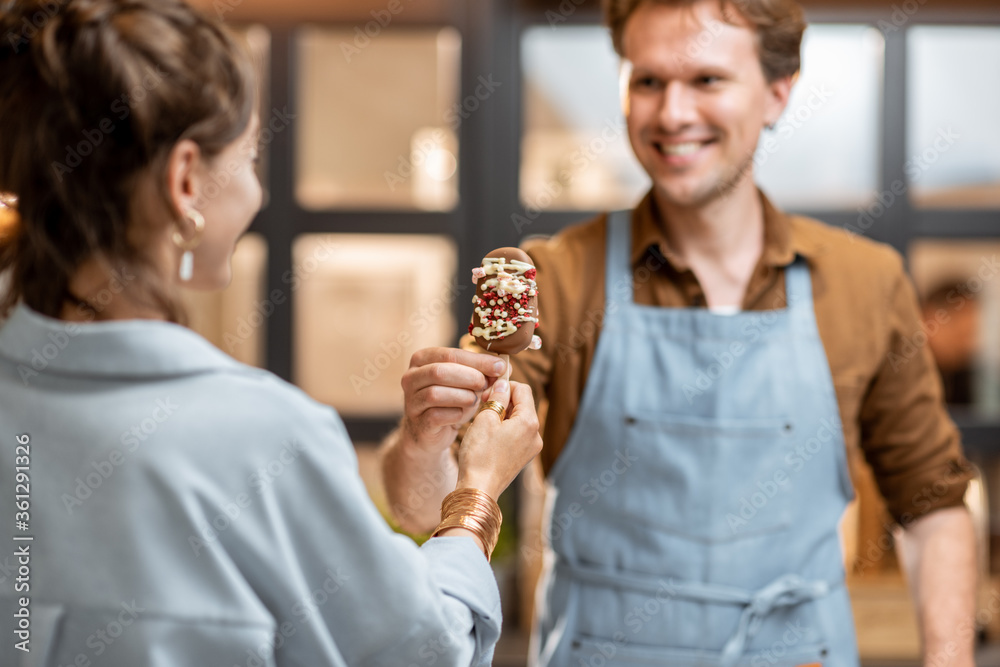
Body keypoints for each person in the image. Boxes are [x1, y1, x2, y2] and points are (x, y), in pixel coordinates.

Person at [381, 0, 978, 664]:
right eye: (648, 81)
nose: (671, 114)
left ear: (778, 93)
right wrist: (426, 434)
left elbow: (933, 505)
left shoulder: (867, 285)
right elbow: (424, 502)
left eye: (707, 81)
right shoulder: (557, 276)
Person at [0, 1, 542, 665]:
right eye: (251, 155)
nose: (258, 191)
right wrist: (477, 493)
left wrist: (424, 453)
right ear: (186, 179)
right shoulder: (262, 436)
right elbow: (422, 651)